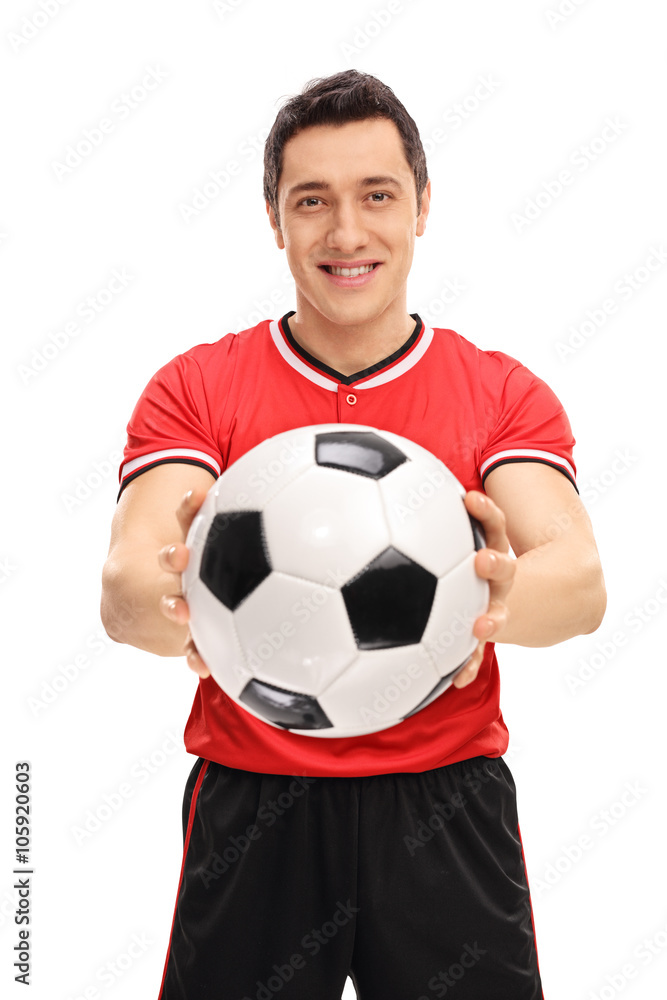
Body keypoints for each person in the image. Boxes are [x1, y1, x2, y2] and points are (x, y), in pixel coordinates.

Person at [101, 70, 606, 999]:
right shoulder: (197, 388)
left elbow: (576, 582)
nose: (345, 233)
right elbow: (129, 589)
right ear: (273, 218)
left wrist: (483, 604)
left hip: (444, 801)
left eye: (376, 196)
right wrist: (190, 606)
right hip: (255, 799)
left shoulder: (499, 391)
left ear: (421, 207)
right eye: (311, 202)